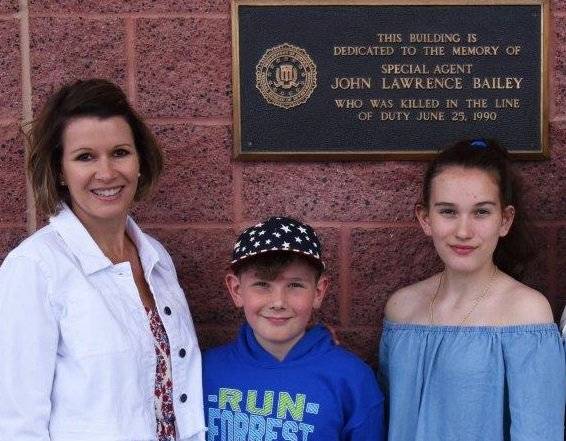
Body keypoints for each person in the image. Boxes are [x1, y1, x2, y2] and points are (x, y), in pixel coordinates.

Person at [0, 79, 205, 441]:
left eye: (120, 152)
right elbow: (17, 423)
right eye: (85, 157)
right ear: (60, 170)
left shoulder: (156, 260)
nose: (107, 172)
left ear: (140, 160)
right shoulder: (35, 268)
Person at [379, 139, 566, 441]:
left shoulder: (526, 312)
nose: (463, 231)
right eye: (448, 212)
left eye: (481, 213)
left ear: (504, 220)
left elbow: (539, 431)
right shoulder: (402, 309)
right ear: (425, 218)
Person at [203, 216, 385, 441]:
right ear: (236, 289)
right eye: (262, 285)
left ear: (318, 291)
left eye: (295, 285)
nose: (278, 302)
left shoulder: (352, 378)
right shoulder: (203, 371)